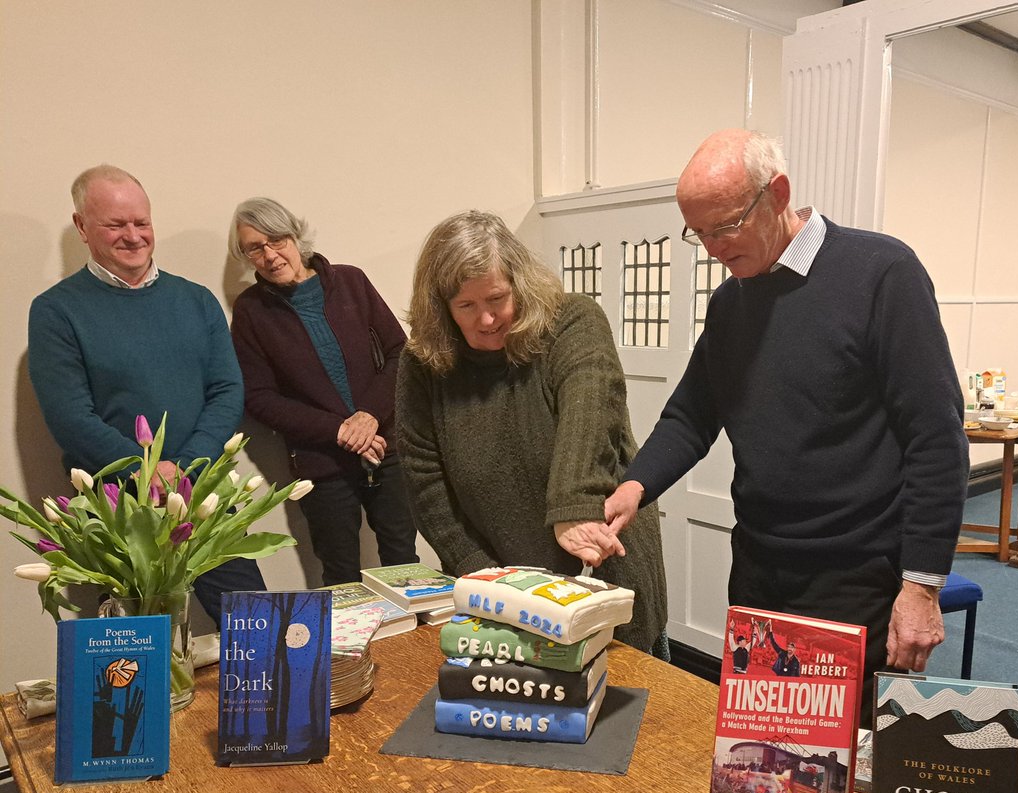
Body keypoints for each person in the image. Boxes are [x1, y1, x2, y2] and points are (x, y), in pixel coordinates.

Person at [605, 129, 969, 722]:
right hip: (759, 567)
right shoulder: (732, 303)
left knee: (842, 763)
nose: (713, 248)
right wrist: (635, 485)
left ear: (778, 193)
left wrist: (922, 586)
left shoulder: (882, 273)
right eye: (698, 234)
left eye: (725, 227)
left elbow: (936, 438)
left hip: (856, 572)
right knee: (757, 760)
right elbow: (692, 414)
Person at [396, 210, 668, 657]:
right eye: (466, 306)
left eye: (497, 299)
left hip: (598, 562)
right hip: (501, 584)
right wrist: (480, 574)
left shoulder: (571, 320)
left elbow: (592, 409)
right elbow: (424, 479)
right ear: (441, 309)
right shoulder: (423, 363)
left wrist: (574, 506)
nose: (486, 319)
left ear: (519, 285)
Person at [27, 165, 266, 622]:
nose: (133, 236)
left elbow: (227, 390)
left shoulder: (197, 300)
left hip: (204, 493)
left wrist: (185, 469)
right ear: (82, 226)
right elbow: (70, 417)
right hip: (117, 508)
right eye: (116, 225)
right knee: (133, 653)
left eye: (142, 222)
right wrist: (147, 471)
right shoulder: (56, 312)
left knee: (252, 628)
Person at [228, 198, 418, 586]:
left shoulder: (351, 281)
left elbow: (402, 354)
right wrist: (340, 431)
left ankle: (412, 648)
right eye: (255, 247)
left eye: (277, 239)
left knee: (404, 564)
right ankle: (352, 650)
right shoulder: (250, 311)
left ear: (295, 235)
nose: (269, 254)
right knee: (340, 575)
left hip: (387, 445)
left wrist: (368, 417)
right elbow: (259, 397)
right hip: (321, 462)